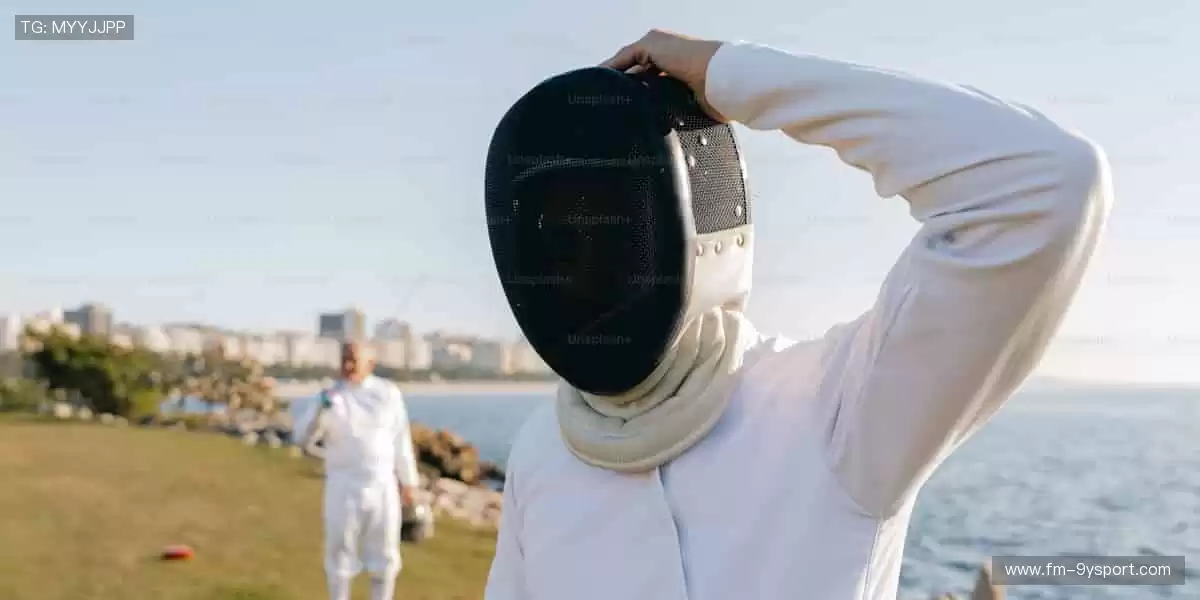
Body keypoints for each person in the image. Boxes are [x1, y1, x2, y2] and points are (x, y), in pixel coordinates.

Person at [483, 30, 1112, 600]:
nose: (577, 257)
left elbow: (1048, 183)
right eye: (558, 234)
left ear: (694, 230)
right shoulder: (545, 450)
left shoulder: (838, 410)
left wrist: (733, 74)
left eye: (608, 228)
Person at [296, 341, 420, 600]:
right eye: (345, 359)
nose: (348, 365)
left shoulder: (387, 394)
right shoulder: (330, 396)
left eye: (354, 360)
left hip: (382, 484)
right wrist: (321, 410)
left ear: (370, 363)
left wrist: (408, 482)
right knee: (340, 555)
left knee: (385, 556)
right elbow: (303, 440)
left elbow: (401, 440)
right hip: (342, 485)